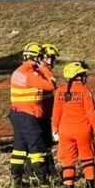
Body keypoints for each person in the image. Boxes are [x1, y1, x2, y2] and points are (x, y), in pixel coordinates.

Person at [52, 61, 95, 188]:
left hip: (65, 131)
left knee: (67, 160)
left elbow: (56, 112)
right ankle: (90, 187)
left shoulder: (60, 90)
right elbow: (91, 113)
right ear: (78, 76)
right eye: (83, 74)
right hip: (83, 130)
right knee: (87, 157)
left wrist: (55, 130)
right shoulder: (84, 90)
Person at [9, 42, 56, 188]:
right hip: (28, 115)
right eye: (40, 57)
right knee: (37, 147)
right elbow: (51, 85)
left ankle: (16, 181)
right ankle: (42, 180)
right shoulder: (29, 75)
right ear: (34, 57)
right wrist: (45, 70)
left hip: (17, 114)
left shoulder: (19, 72)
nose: (42, 59)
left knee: (19, 148)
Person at [37, 43, 60, 179]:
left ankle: (49, 168)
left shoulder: (43, 70)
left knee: (46, 143)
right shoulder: (43, 71)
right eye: (48, 58)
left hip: (46, 112)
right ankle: (41, 170)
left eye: (52, 58)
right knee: (41, 143)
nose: (50, 61)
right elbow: (52, 86)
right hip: (39, 113)